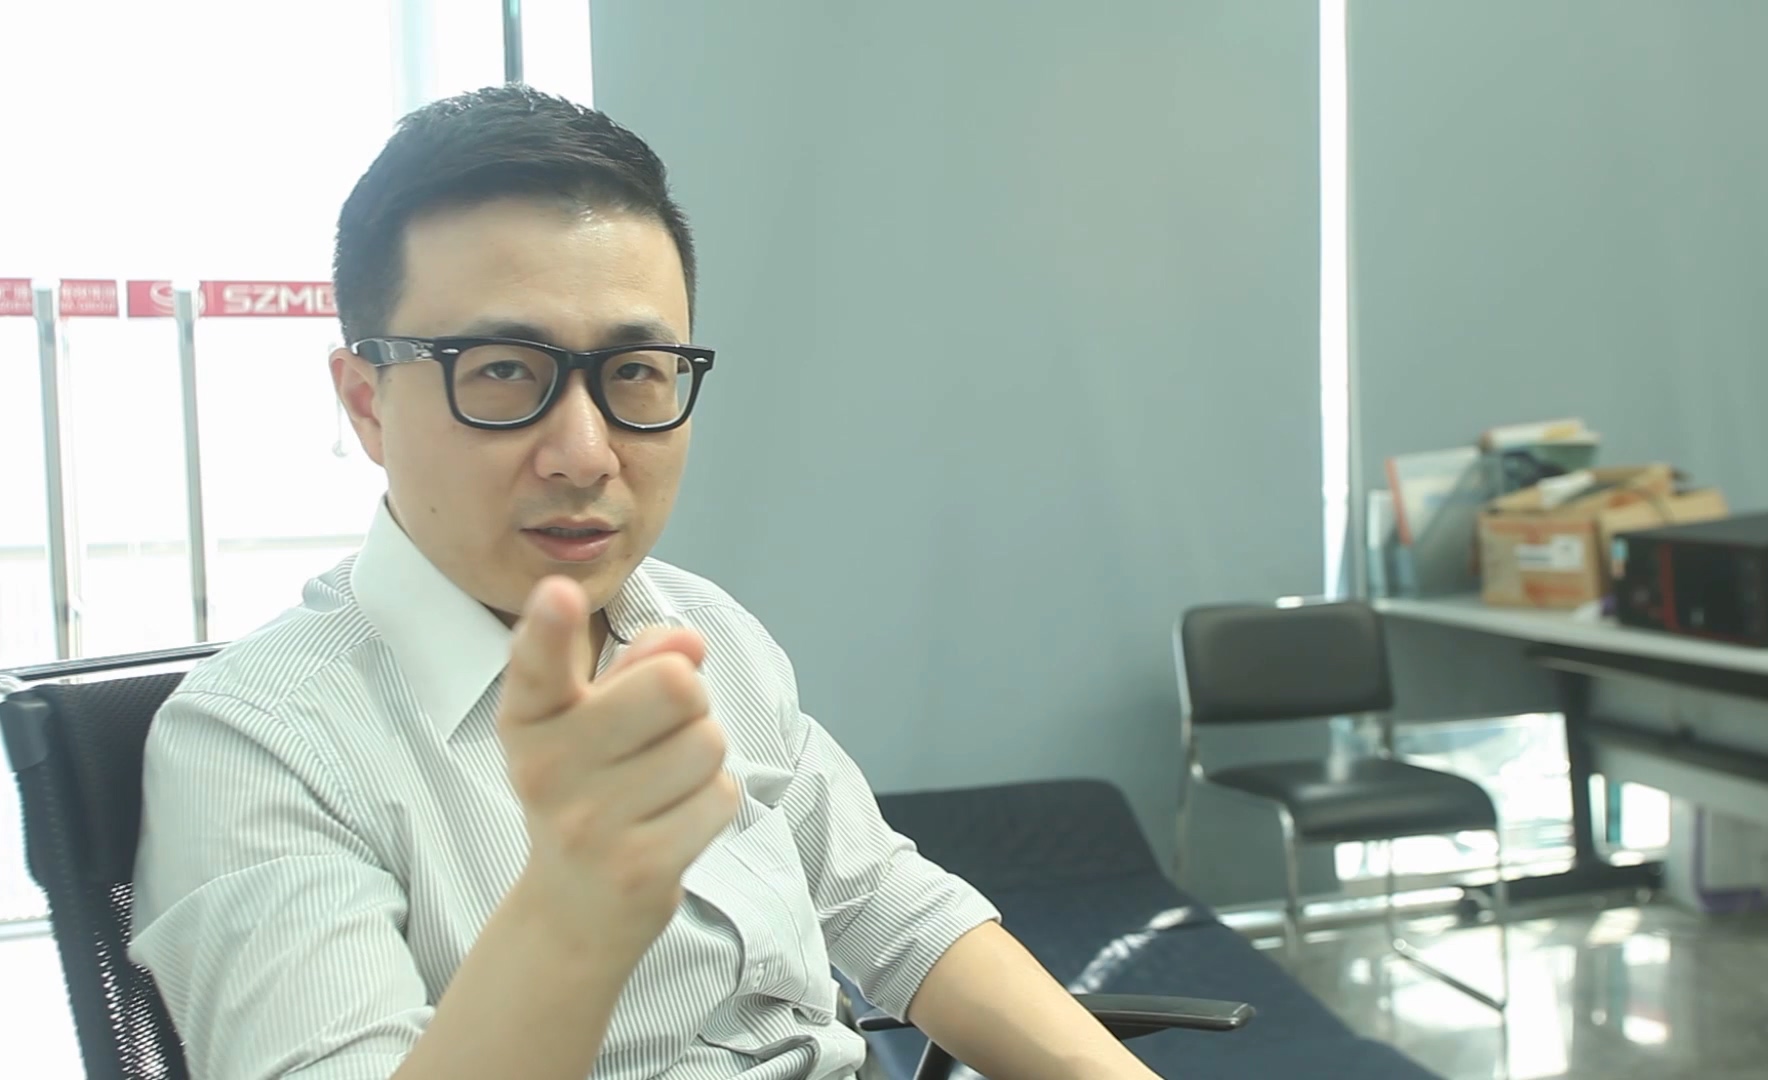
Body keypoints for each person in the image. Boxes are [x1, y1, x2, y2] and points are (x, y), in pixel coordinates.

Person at [128, 86, 1162, 1080]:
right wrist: (575, 908)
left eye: (633, 373)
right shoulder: (259, 745)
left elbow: (891, 904)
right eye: (502, 371)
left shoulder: (699, 627)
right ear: (365, 402)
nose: (585, 454)